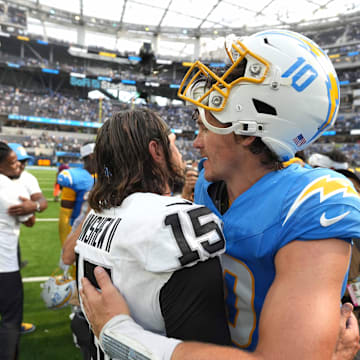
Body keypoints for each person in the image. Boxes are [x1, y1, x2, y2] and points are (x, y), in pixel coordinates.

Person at [80, 29, 360, 360]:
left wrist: (119, 334)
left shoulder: (311, 201)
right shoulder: (207, 186)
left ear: (245, 132)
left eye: (205, 127)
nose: (196, 143)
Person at [76, 108, 231, 359]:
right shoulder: (175, 221)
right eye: (173, 145)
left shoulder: (97, 215)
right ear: (156, 151)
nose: (181, 151)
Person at [7, 143, 48, 335]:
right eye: (17, 162)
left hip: (9, 241)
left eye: (23, 162)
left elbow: (41, 202)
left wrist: (34, 207)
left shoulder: (27, 178)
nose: (21, 166)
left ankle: (14, 322)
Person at [0, 142, 35, 360]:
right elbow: (29, 220)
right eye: (12, 163)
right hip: (4, 266)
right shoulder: (8, 187)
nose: (18, 167)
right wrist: (34, 206)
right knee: (11, 322)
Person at [57, 142, 96, 246]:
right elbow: (65, 216)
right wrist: (67, 243)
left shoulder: (106, 176)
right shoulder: (74, 177)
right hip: (78, 231)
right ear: (92, 155)